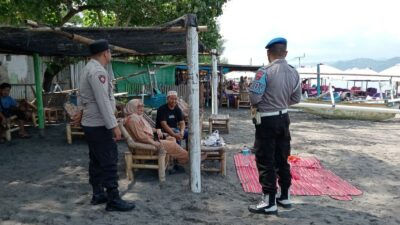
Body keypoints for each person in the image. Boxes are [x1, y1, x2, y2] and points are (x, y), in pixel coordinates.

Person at [75, 39, 135, 212]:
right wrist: (113, 125)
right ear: (105, 53)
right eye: (110, 52)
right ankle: (113, 199)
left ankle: (98, 193)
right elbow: (102, 102)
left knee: (95, 160)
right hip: (100, 123)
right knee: (109, 160)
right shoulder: (97, 71)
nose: (111, 55)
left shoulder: (87, 68)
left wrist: (80, 111)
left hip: (91, 122)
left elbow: (81, 96)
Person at [247, 37, 301, 215]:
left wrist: (268, 103)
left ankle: (269, 201)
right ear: (285, 53)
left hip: (267, 120)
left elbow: (255, 97)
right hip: (284, 118)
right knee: (282, 158)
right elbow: (296, 98)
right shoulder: (294, 72)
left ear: (269, 53)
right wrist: (281, 103)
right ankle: (284, 195)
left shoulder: (264, 72)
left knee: (265, 159)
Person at [124, 99, 189, 165]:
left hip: (149, 141)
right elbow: (141, 137)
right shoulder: (133, 120)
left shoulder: (136, 117)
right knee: (172, 144)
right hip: (144, 147)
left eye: (142, 106)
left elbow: (145, 130)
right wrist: (155, 143)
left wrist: (158, 131)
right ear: (132, 107)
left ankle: (179, 159)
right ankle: (188, 157)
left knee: (172, 138)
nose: (142, 108)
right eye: (139, 106)